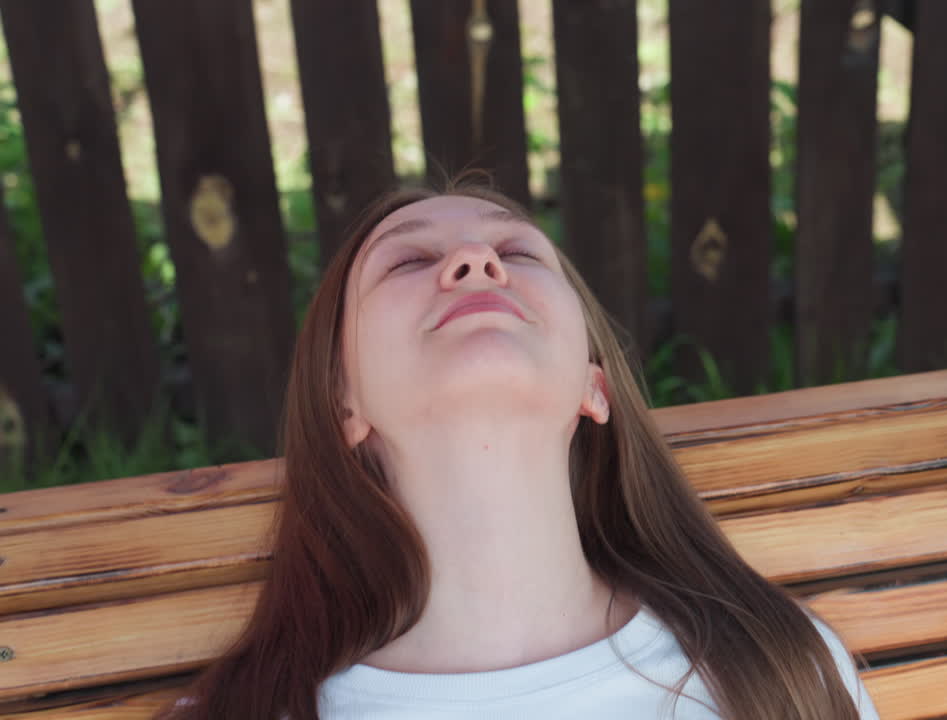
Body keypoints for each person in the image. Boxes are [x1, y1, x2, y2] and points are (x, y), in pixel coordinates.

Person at [155, 176, 880, 720]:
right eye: (407, 262)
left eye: (516, 250)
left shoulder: (777, 671)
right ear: (344, 402)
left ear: (593, 386)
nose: (475, 260)